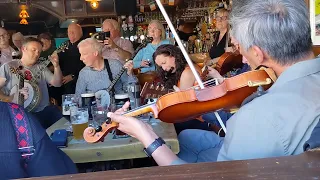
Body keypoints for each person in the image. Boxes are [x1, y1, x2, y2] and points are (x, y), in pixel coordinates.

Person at [106, 0, 320, 165]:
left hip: (247, 160)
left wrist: (146, 135)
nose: (243, 60)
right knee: (188, 136)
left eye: (243, 52)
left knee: (175, 146)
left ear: (258, 53)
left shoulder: (257, 117)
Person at [0, 37, 63, 129]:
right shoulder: (8, 67)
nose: (37, 53)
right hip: (19, 114)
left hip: (43, 111)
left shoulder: (41, 67)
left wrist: (56, 66)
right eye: (34, 50)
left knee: (64, 125)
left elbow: (57, 83)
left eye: (39, 51)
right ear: (23, 49)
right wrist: (10, 98)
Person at [57, 23, 86, 95]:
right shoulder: (65, 45)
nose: (71, 34)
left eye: (73, 32)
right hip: (63, 80)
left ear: (80, 32)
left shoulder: (86, 44)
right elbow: (58, 60)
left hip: (78, 80)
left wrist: (73, 76)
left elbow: (87, 65)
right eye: (69, 32)